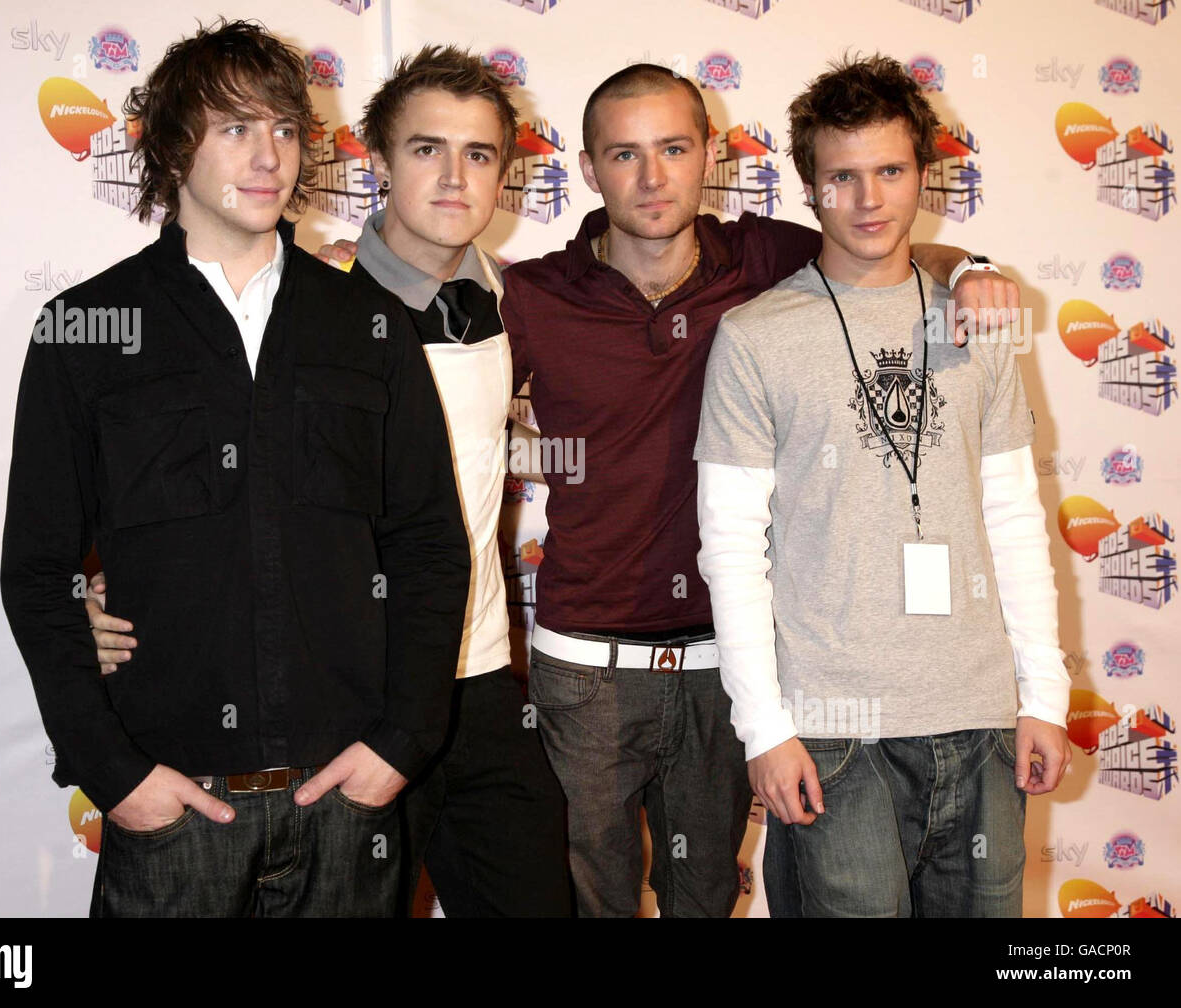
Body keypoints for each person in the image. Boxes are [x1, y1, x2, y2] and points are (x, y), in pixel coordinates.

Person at [319, 60, 1020, 917]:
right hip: (582, 673)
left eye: (674, 149)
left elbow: (882, 244)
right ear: (586, 168)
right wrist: (339, 269)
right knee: (584, 902)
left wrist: (970, 265)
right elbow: (437, 374)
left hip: (725, 663)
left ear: (708, 157)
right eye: (623, 155)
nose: (652, 179)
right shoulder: (530, 295)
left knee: (705, 896)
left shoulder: (765, 260)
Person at [0, 19, 470, 918]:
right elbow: (35, 572)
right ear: (174, 147)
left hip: (346, 799)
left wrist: (403, 743)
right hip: (170, 806)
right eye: (236, 128)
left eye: (287, 129)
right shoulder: (84, 330)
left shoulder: (367, 325)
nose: (270, 157)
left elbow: (429, 549)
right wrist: (114, 773)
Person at [91, 44, 572, 918]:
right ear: (375, 161)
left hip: (484, 677)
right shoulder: (318, 307)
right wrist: (97, 588)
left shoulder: (521, 299)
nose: (455, 178)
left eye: (479, 154)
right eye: (427, 149)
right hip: (349, 697)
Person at [694, 54, 1071, 917]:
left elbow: (1014, 517)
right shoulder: (755, 338)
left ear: (924, 175)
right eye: (844, 177)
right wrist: (767, 728)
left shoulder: (976, 321)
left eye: (891, 171)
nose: (869, 199)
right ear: (809, 187)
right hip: (832, 734)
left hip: (980, 722)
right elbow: (731, 550)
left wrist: (1042, 698)